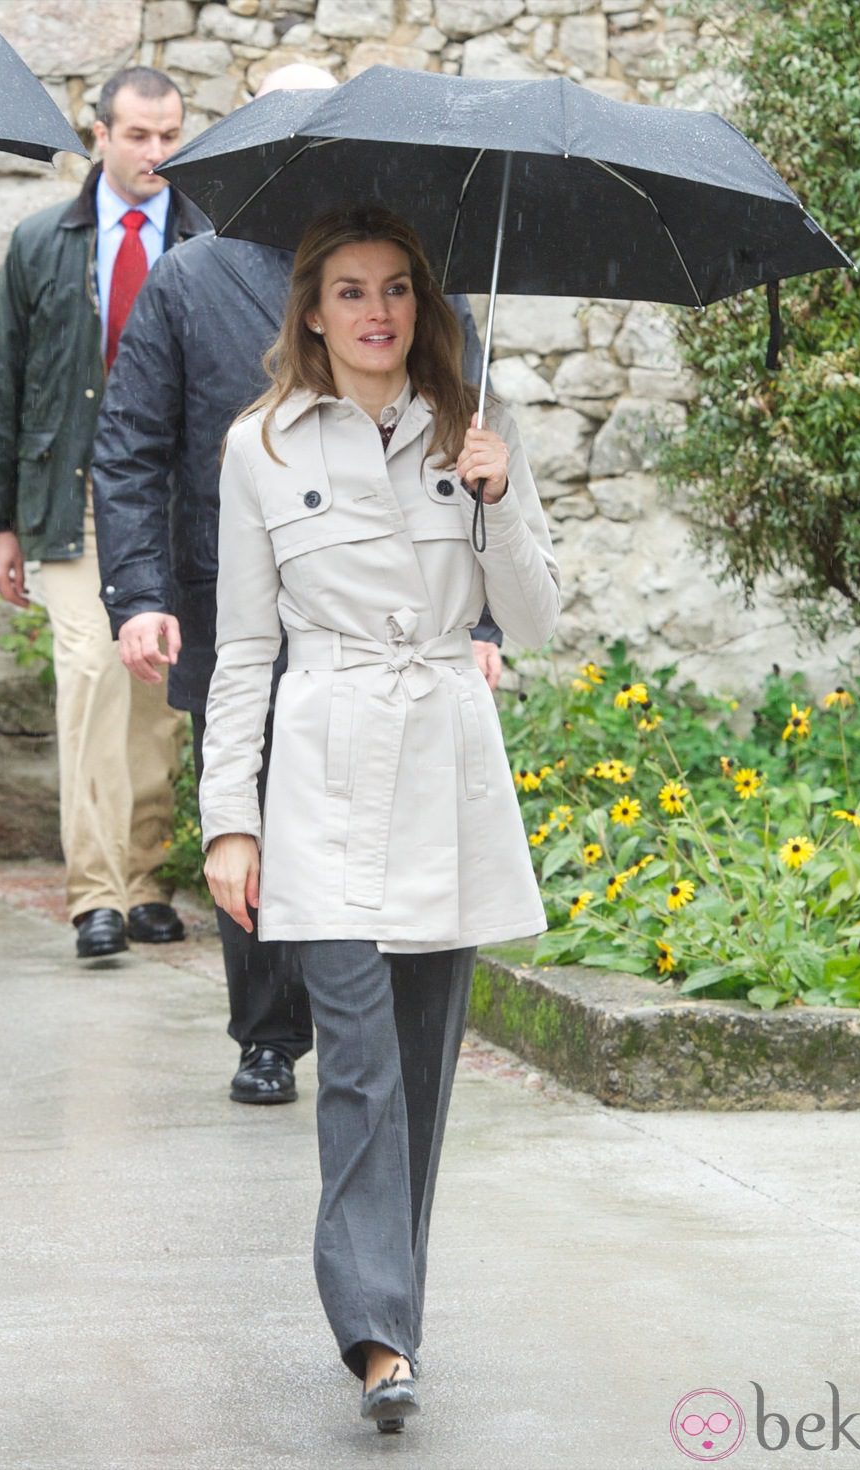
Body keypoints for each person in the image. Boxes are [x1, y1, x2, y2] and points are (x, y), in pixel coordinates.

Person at [198, 205, 560, 1431]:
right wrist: (227, 820)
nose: (374, 313)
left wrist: (498, 498)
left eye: (395, 289)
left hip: (445, 769)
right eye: (348, 292)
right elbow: (245, 649)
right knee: (353, 1061)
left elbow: (538, 618)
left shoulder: (472, 437)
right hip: (321, 767)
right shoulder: (260, 445)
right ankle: (372, 1338)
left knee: (417, 1067)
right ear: (309, 310)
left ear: (422, 305)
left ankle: (391, 1317)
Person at [92, 65, 503, 1106]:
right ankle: (268, 1029)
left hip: (382, 612)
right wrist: (138, 591)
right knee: (252, 796)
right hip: (232, 590)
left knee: (357, 821)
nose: (375, 307)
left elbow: (466, 466)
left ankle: (362, 1008)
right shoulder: (191, 277)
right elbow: (132, 446)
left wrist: (486, 618)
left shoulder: (409, 279)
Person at [0, 66, 207, 959]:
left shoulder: (202, 238)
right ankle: (95, 893)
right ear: (98, 136)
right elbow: (1, 385)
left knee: (157, 695)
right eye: (139, 135)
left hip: (170, 505)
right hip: (70, 501)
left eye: (170, 135)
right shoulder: (43, 242)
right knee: (94, 677)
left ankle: (145, 880)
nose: (156, 153)